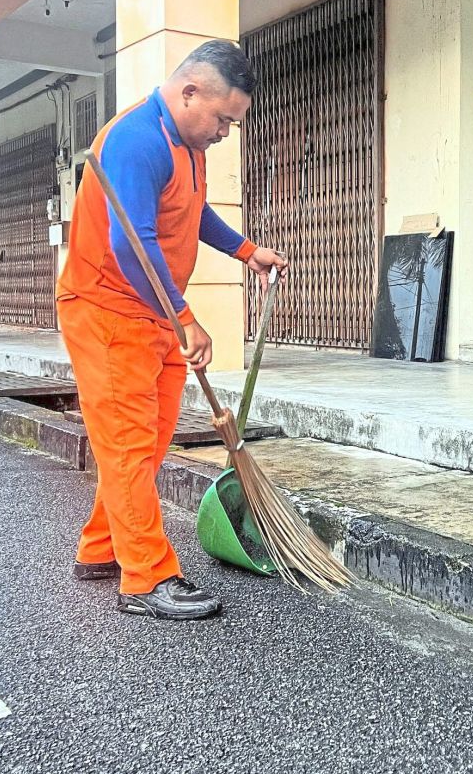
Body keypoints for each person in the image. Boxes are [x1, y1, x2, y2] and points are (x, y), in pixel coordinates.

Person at [56, 40, 286, 620]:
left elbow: (192, 210)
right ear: (189, 92)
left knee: (149, 442)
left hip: (151, 312)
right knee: (129, 445)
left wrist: (247, 251)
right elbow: (131, 243)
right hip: (108, 311)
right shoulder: (137, 140)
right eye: (223, 120)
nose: (224, 133)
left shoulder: (188, 144)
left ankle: (103, 547)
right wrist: (186, 317)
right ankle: (147, 576)